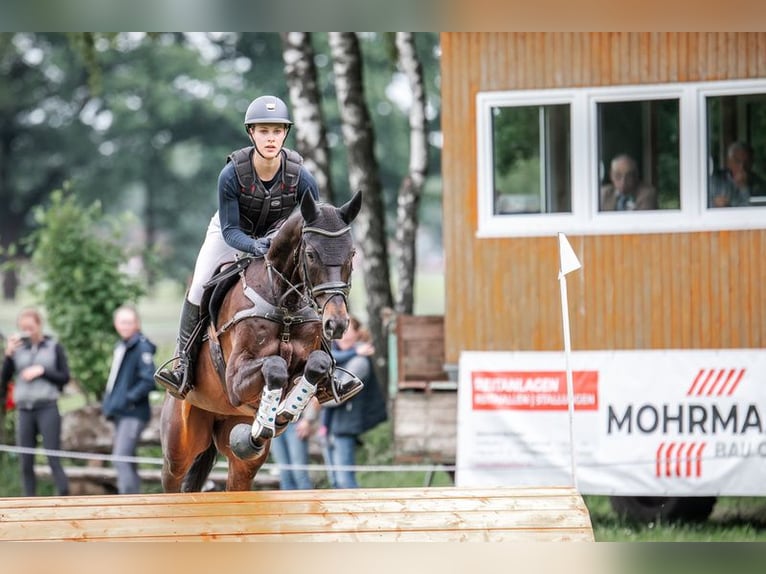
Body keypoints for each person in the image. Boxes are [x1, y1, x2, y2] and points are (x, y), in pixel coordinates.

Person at [154, 95, 320, 400]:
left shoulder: (301, 176)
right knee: (199, 286)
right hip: (229, 233)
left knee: (311, 285)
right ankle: (183, 364)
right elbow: (231, 230)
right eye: (264, 131)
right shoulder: (231, 173)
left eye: (277, 131)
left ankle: (329, 372)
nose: (271, 138)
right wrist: (256, 247)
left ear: (285, 133)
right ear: (251, 133)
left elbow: (315, 219)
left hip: (274, 233)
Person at [0, 308, 70, 496]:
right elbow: (3, 379)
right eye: (23, 328)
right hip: (24, 410)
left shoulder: (53, 347)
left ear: (39, 326)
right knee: (25, 461)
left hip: (47, 407)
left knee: (53, 457)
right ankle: (28, 502)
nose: (27, 332)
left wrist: (42, 371)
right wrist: (8, 355)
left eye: (30, 327)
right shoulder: (17, 350)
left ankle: (63, 497)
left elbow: (64, 377)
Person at [321, 317, 388, 489]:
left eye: (347, 332)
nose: (343, 336)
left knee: (345, 480)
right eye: (340, 332)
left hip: (346, 426)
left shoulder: (359, 363)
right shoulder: (336, 359)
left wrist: (313, 398)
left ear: (357, 335)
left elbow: (337, 395)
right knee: (335, 481)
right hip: (330, 427)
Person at [101, 305, 157, 494]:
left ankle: (128, 500)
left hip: (133, 413)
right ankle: (135, 498)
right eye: (122, 322)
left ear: (137, 323)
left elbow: (149, 379)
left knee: (120, 457)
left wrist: (128, 399)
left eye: (129, 322)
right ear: (116, 324)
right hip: (121, 412)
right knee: (128, 458)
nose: (125, 326)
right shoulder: (123, 346)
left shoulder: (141, 346)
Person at [269, 397, 320, 490]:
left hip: (296, 423)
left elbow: (314, 396)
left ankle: (306, 503)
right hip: (274, 424)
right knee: (284, 472)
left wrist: (307, 420)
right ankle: (287, 504)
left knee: (299, 472)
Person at [709, 141, 766, 207]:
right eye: (737, 161)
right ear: (729, 162)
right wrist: (714, 204)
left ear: (752, 162)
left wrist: (743, 187)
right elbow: (698, 205)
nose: (742, 166)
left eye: (747, 162)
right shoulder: (715, 180)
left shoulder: (759, 184)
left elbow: (755, 209)